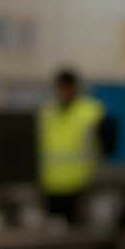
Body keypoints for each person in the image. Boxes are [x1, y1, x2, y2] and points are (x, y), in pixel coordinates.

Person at [36, 67, 109, 223]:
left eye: (67, 87)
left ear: (75, 88)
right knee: (53, 232)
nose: (63, 92)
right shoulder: (47, 113)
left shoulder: (92, 112)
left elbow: (108, 143)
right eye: (60, 88)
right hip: (51, 185)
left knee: (79, 231)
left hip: (81, 185)